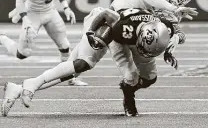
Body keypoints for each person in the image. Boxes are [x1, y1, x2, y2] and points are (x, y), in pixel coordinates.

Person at [1, 7, 174, 117]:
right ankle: (33, 83)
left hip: (130, 36)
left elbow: (176, 29)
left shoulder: (163, 27)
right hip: (102, 22)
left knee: (149, 77)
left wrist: (172, 45)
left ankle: (19, 88)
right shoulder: (122, 28)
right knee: (84, 63)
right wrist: (92, 33)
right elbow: (106, 15)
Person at [109, 0, 197, 116]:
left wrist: (176, 38)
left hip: (144, 40)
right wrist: (172, 8)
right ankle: (129, 100)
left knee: (150, 78)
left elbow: (178, 31)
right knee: (127, 72)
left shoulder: (174, 12)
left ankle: (128, 89)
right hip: (124, 28)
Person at [0, 0, 87, 86]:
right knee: (23, 53)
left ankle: (70, 78)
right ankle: (2, 38)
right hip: (33, 13)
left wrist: (65, 7)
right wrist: (26, 19)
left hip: (50, 10)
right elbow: (20, 0)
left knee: (65, 46)